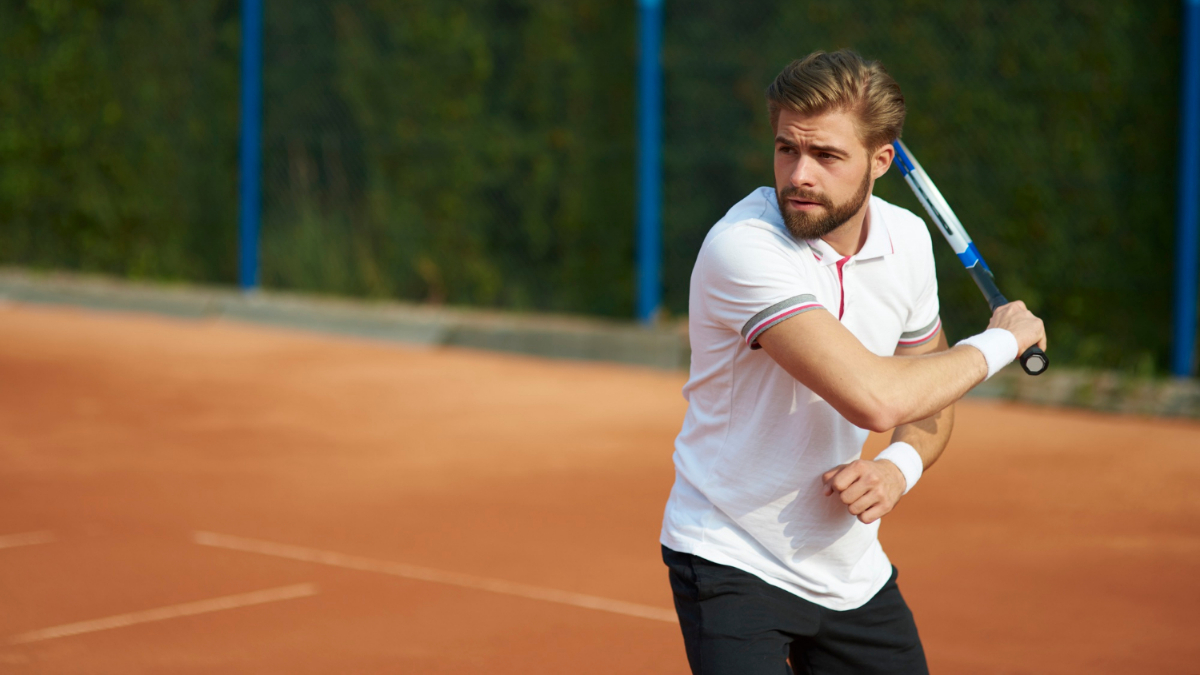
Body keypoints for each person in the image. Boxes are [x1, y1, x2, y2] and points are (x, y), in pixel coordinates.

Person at [659, 49, 1047, 675]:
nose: (799, 175)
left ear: (881, 161)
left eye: (827, 156)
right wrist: (1002, 342)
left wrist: (897, 466)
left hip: (848, 570)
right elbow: (875, 397)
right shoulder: (744, 248)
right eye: (787, 149)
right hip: (731, 554)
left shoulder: (908, 242)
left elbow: (928, 396)